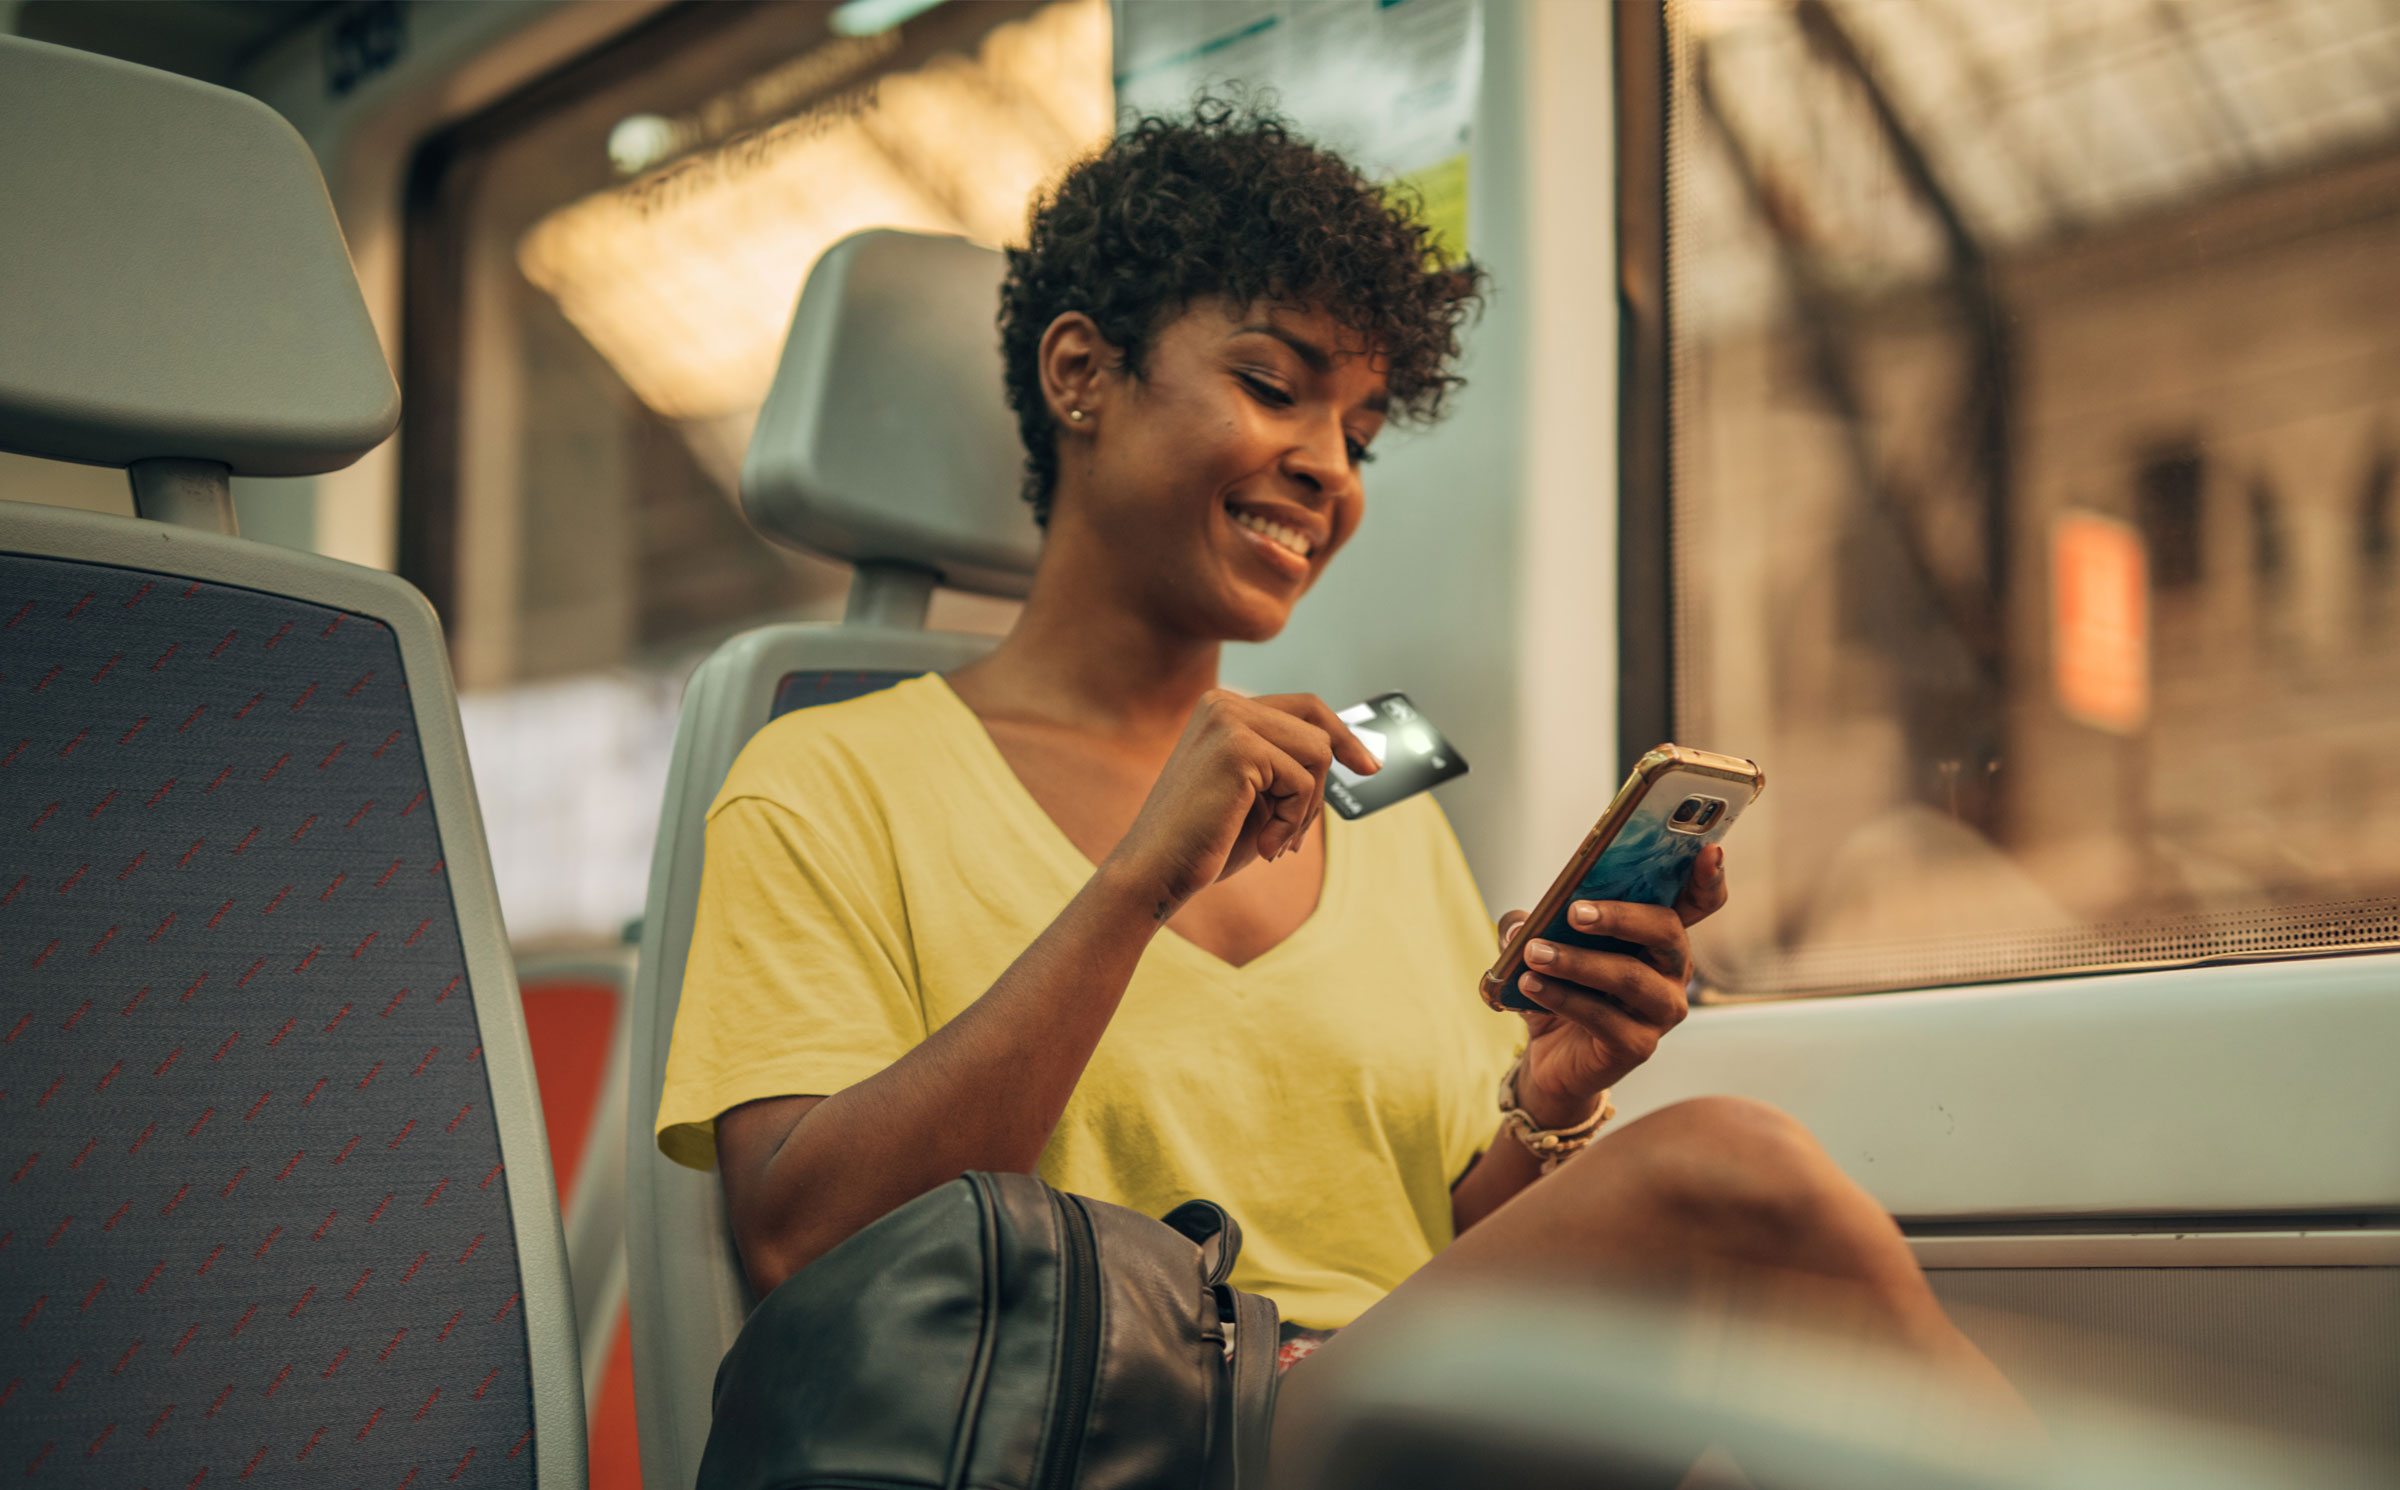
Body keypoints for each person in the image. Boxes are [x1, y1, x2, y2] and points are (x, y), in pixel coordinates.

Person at [655, 100, 2021, 1444]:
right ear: (1080, 373)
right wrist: (1135, 884)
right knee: (1739, 1169)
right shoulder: (827, 777)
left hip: (1381, 1413)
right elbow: (805, 1240)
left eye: (1360, 436)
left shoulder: (1367, 797)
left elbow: (1446, 1233)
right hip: (1110, 1427)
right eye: (1271, 386)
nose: (1326, 469)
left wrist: (1552, 1099)